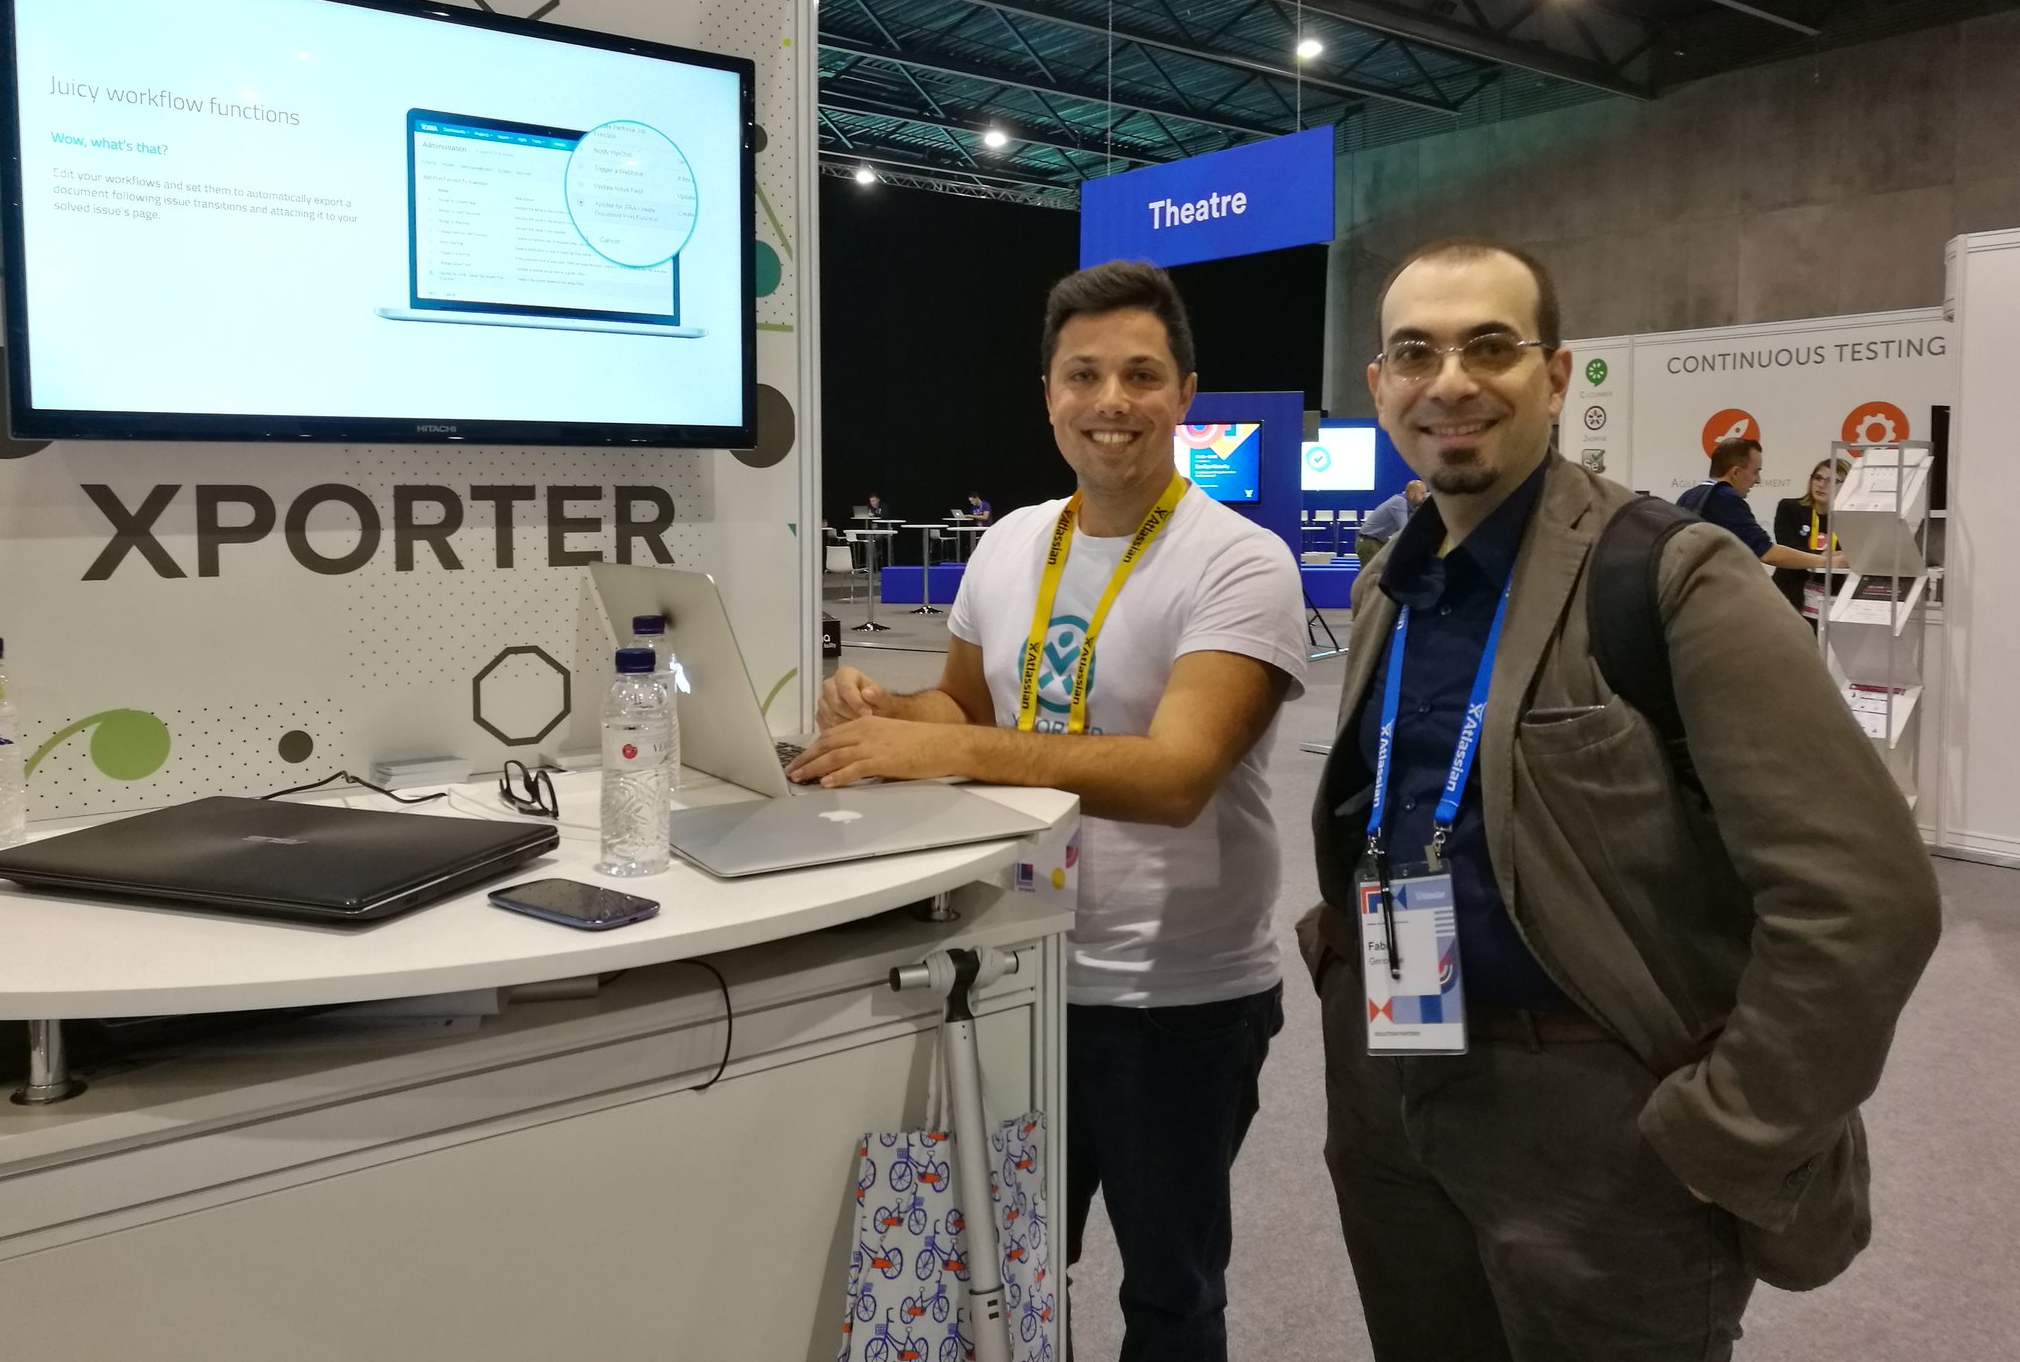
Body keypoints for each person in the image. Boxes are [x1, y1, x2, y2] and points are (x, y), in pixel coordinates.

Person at [1300, 238, 1940, 1361]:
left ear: (1554, 377)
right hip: (1394, 1086)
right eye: (1415, 353)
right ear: (1380, 386)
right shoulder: (1389, 584)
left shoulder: (1671, 574)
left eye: (1488, 346)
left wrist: (1722, 1133)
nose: (1449, 380)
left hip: (1597, 1126)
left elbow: (1863, 896)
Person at [790, 260, 1309, 1359]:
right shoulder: (1011, 541)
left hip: (1174, 999)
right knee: (1010, 1270)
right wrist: (886, 712)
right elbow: (965, 707)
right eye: (1083, 375)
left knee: (1172, 1293)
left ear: (1185, 394)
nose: (1111, 400)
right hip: (1014, 962)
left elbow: (1175, 776)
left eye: (1141, 374)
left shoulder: (1239, 562)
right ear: (1047, 395)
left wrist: (944, 745)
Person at [1677, 438, 1836, 575]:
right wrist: (1827, 561)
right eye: (1755, 471)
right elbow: (1767, 553)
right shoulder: (1724, 499)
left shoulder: (1689, 496)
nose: (1758, 480)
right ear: (1736, 473)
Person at [1774, 458, 1849, 621]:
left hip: (1832, 600)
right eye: (1818, 478)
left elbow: (1852, 556)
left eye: (1831, 481)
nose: (1821, 484)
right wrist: (1827, 557)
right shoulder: (1790, 508)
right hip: (1788, 596)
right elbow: (1789, 549)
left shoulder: (1850, 520)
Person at [1353, 479, 1426, 564]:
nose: (1424, 497)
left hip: (1377, 541)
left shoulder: (1409, 506)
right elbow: (1405, 530)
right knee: (1376, 572)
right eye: (1422, 493)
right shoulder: (1400, 502)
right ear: (1411, 494)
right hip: (1369, 542)